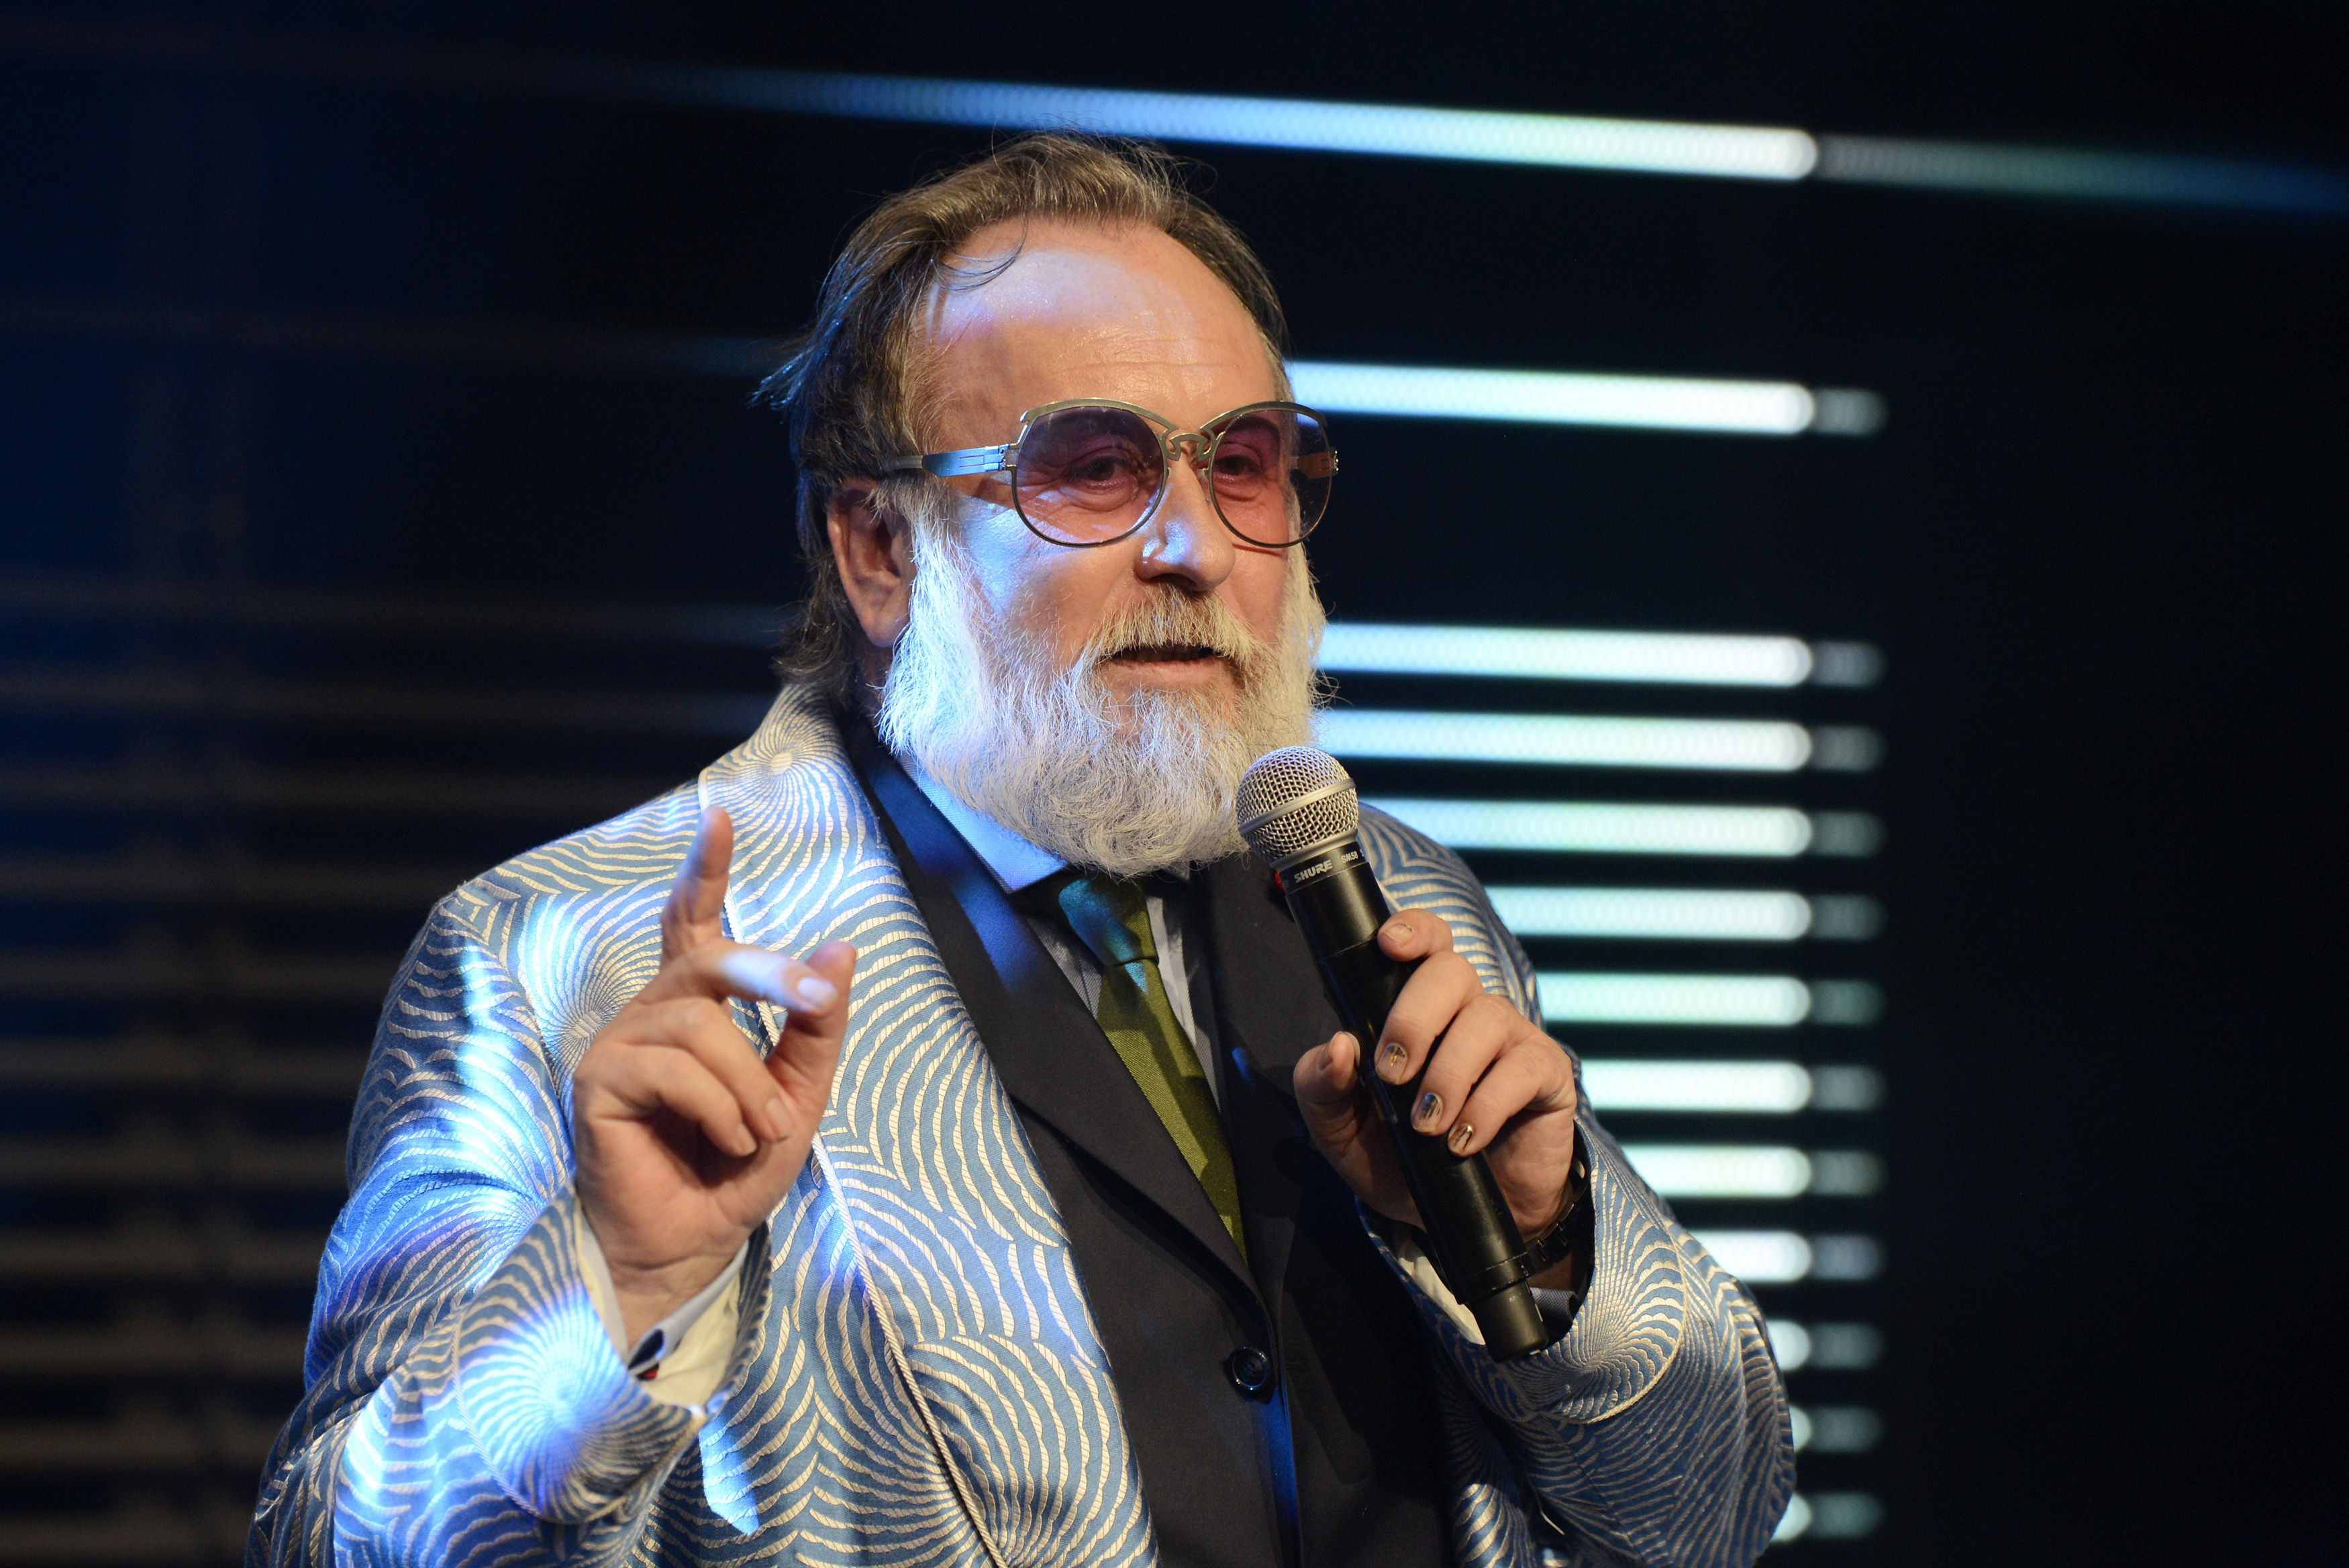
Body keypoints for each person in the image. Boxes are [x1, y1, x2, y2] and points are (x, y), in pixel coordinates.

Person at [250, 134, 1791, 1568]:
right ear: (879, 546)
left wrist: (1546, 1260)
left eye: (1242, 463)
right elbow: (333, 1535)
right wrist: (616, 1293)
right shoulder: (560, 949)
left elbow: (1711, 1514)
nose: (1193, 544)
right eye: (1095, 469)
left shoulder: (1399, 898)